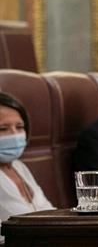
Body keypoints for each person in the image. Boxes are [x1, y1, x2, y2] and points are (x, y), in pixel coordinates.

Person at [0, 92, 54, 243]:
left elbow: (50, 214)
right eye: (3, 129)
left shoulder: (19, 167)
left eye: (20, 127)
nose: (14, 135)